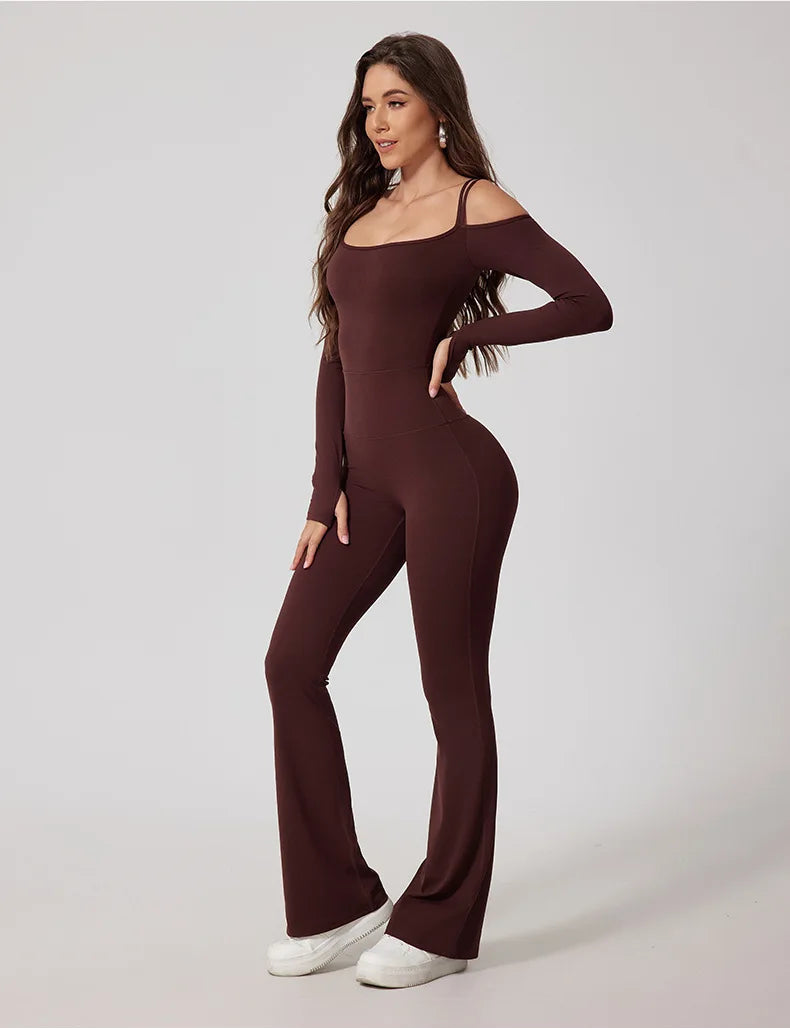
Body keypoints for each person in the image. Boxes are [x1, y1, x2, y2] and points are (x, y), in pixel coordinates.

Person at [264, 32, 613, 989]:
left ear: (438, 110)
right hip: (364, 485)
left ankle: (442, 925)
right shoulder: (361, 213)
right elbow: (337, 354)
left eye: (397, 103)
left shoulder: (475, 205)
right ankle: (337, 904)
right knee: (290, 664)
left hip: (454, 474)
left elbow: (587, 301)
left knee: (450, 693)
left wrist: (470, 335)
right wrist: (324, 489)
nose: (377, 122)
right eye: (367, 104)